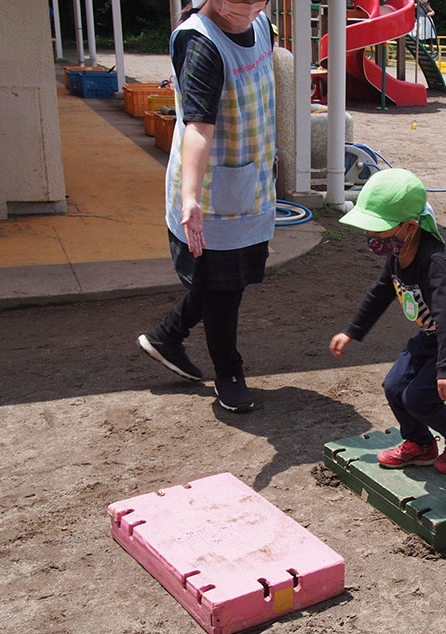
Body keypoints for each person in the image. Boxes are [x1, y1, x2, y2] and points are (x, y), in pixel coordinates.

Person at [137, 0, 276, 413]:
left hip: (249, 180)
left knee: (224, 279)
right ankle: (228, 371)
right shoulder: (200, 43)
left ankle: (167, 335)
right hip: (211, 193)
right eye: (239, 1)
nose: (248, 9)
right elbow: (197, 128)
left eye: (257, 0)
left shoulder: (261, 23)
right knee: (224, 288)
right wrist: (191, 198)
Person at [330, 169, 446, 475]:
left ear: (409, 227)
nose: (373, 242)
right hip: (434, 335)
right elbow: (380, 292)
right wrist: (353, 331)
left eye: (379, 234)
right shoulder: (398, 251)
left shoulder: (434, 263)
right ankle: (420, 444)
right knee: (394, 387)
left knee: (419, 398)